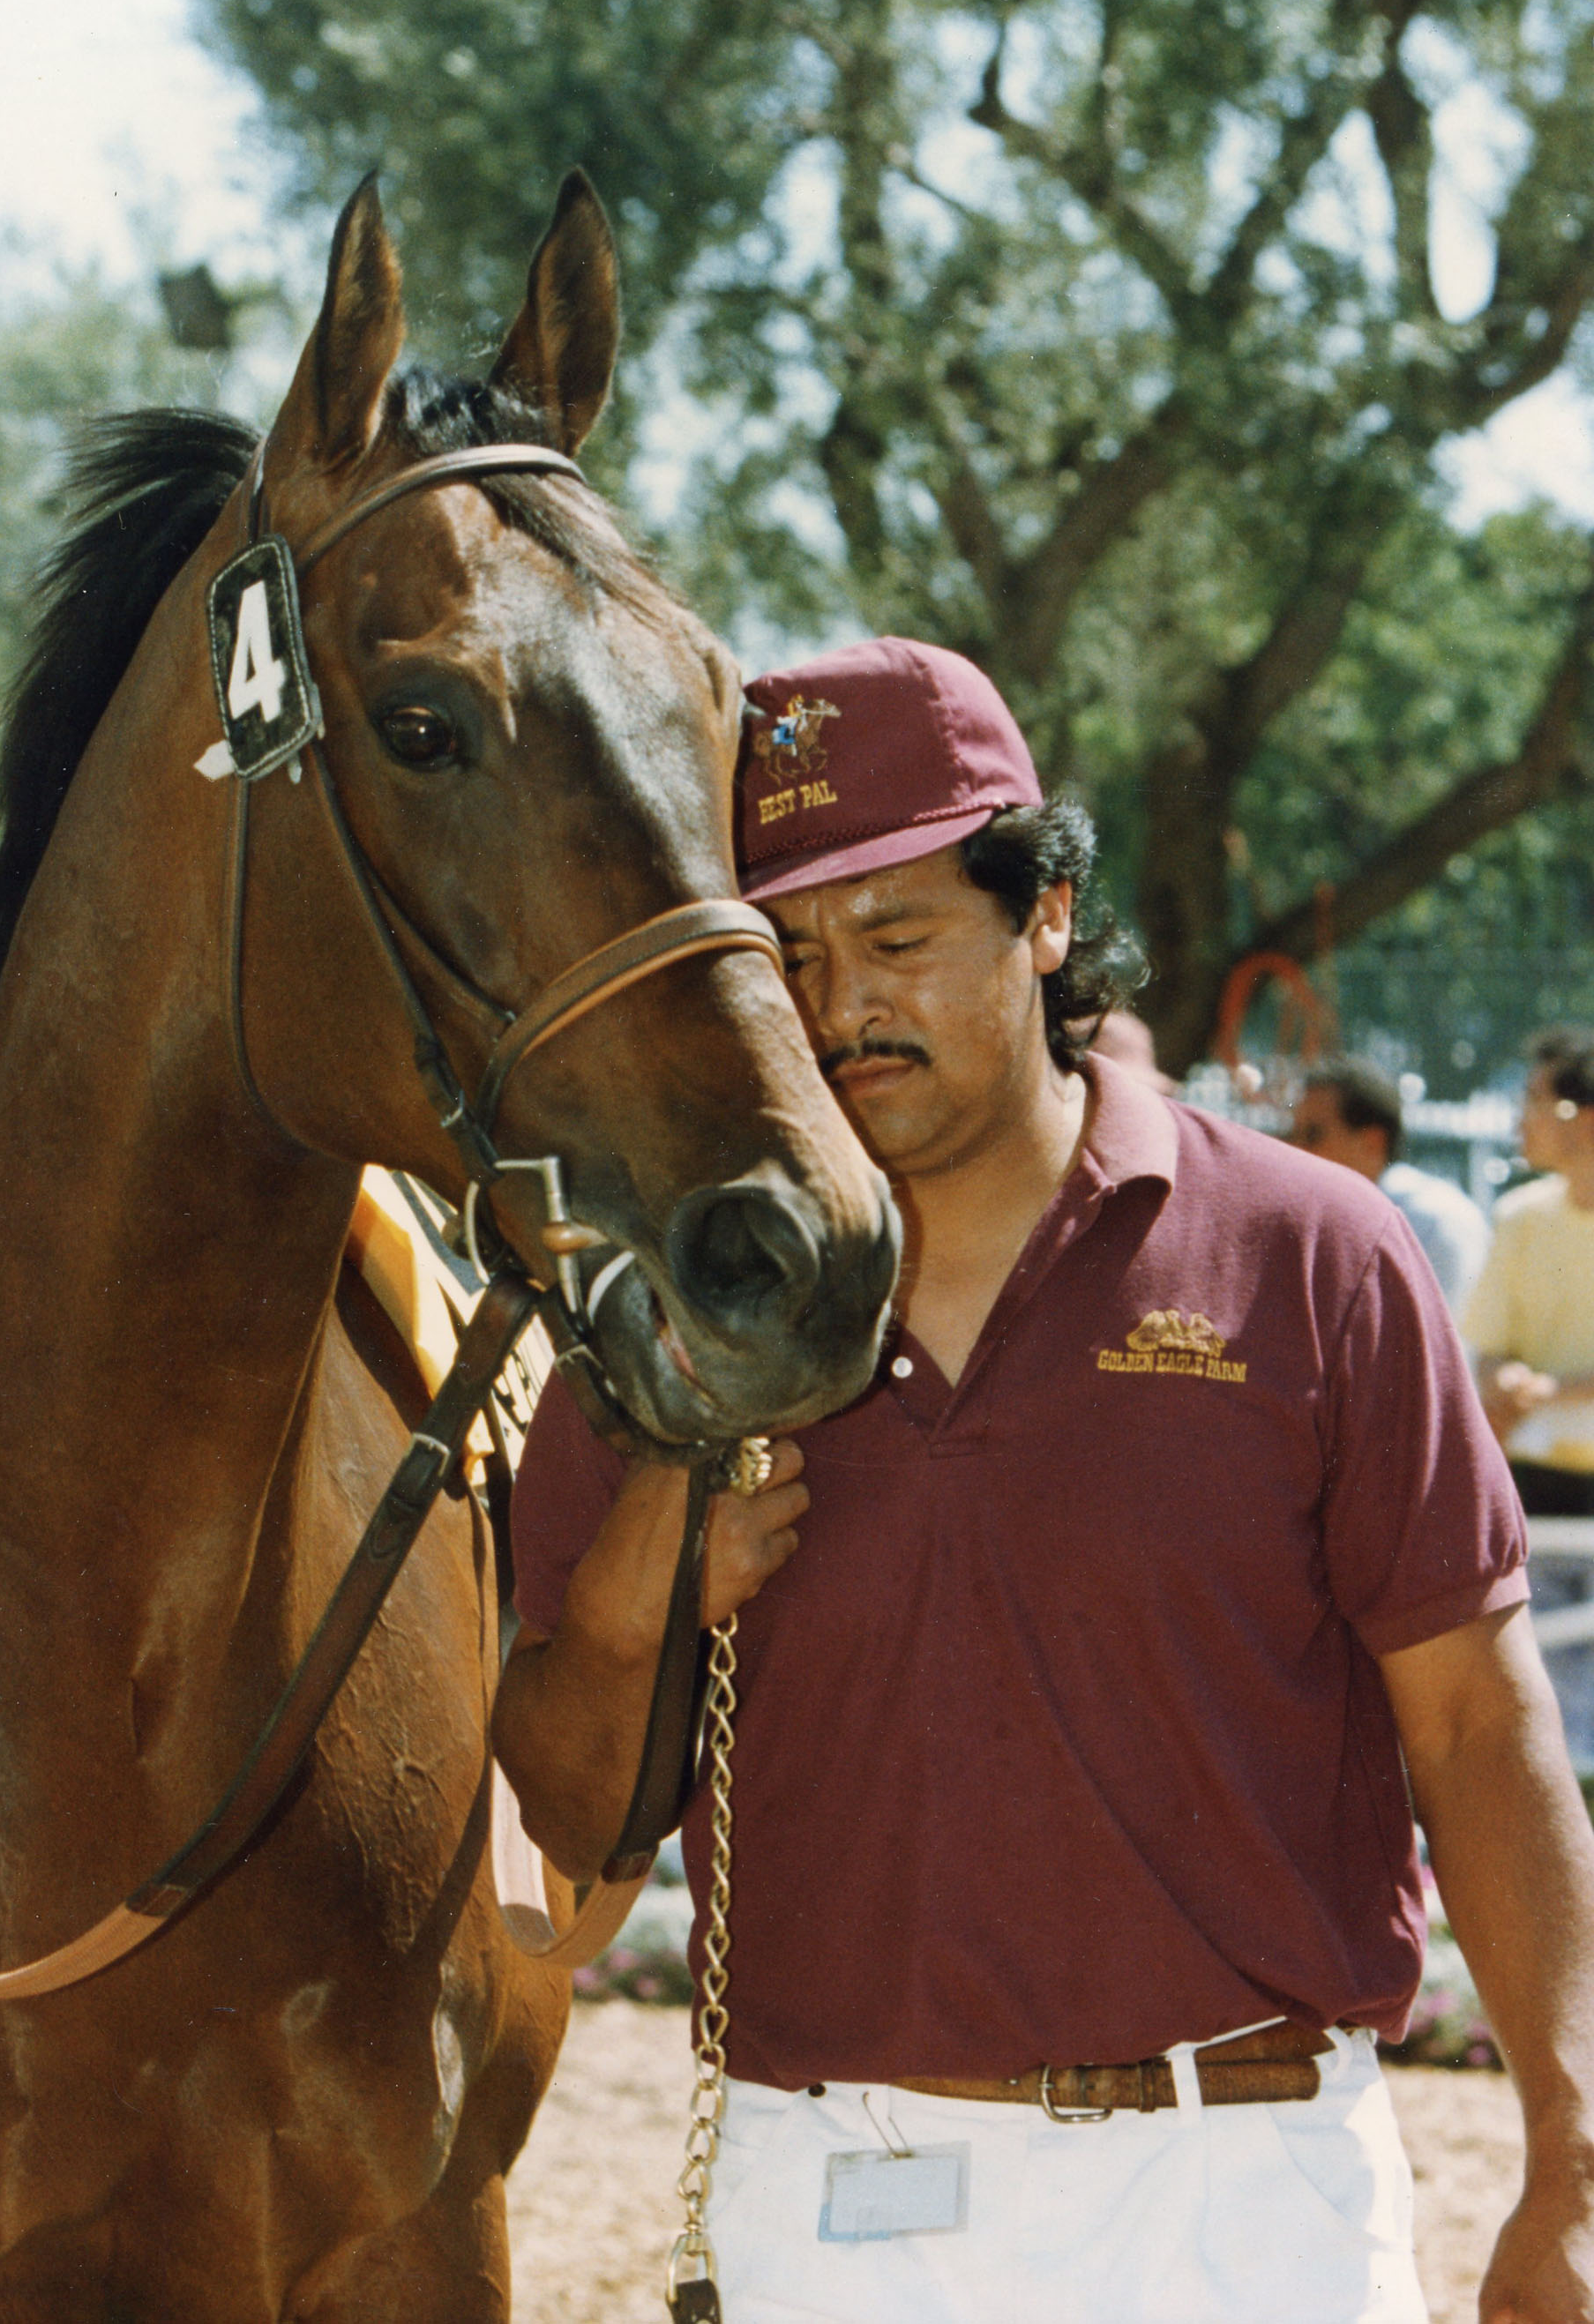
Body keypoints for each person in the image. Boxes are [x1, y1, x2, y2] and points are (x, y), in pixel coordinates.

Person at [495, 636, 1594, 2324]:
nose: (840, 1001)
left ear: (1048, 914)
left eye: (900, 935)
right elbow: (564, 1827)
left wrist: (1573, 2158)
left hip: (1248, 2192)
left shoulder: (1315, 1256)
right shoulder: (663, 1314)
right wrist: (652, 1562)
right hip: (823, 2192)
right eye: (784, 949)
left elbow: (1474, 1722)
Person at [1463, 1029, 1594, 1518]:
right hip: (1532, 1481)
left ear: (1585, 1119)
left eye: (1536, 1100)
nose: (1522, 1118)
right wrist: (1506, 1378)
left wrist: (1548, 1392)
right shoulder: (1519, 1217)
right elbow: (1488, 1351)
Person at [1291, 1057, 1491, 1311]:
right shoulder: (1312, 1218)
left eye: (1312, 1136)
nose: (1294, 1150)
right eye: (1292, 1135)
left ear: (1372, 1143)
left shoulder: (1434, 1221)